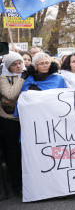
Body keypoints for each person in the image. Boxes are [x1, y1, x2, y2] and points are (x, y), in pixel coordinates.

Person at [0, 52, 26, 196]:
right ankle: (16, 184)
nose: (18, 66)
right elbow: (10, 94)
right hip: (9, 120)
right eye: (14, 64)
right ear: (8, 66)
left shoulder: (26, 75)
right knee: (13, 152)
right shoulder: (3, 78)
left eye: (19, 63)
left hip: (24, 118)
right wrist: (22, 79)